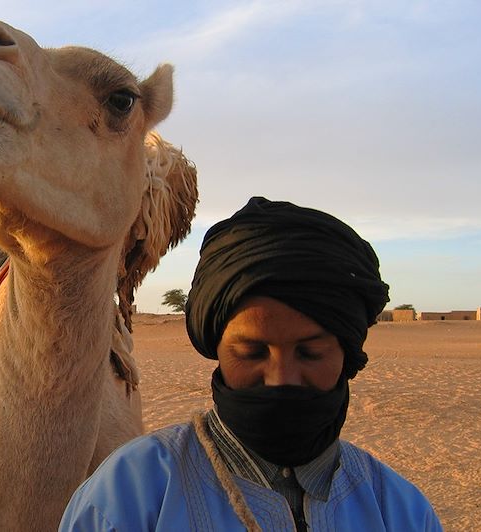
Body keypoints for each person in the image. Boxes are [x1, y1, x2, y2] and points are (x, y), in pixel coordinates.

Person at [60, 197, 442, 531]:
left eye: (310, 353)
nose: (281, 377)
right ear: (217, 348)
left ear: (348, 355)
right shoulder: (127, 499)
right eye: (252, 353)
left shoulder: (399, 512)